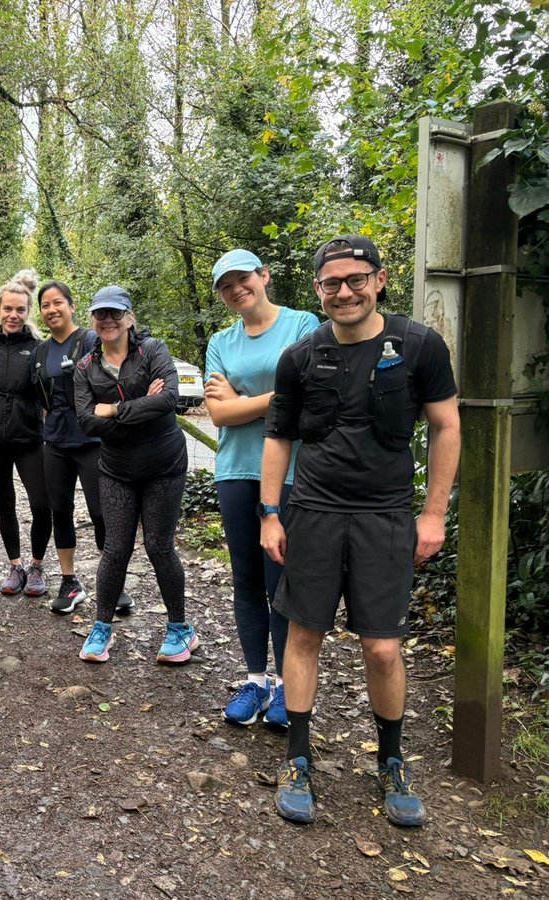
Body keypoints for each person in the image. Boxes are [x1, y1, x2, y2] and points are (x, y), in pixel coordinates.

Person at [262, 235, 459, 827]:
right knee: (304, 634)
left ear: (378, 280)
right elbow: (279, 438)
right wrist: (271, 513)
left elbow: (446, 427)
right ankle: (298, 758)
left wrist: (434, 513)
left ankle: (393, 760)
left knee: (382, 645)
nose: (344, 292)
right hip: (314, 513)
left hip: (386, 516)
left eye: (355, 279)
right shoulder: (300, 357)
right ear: (318, 289)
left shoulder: (420, 346)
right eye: (331, 283)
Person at [205, 250, 319, 728]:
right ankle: (257, 680)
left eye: (242, 279)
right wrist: (272, 400)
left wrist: (243, 400)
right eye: (226, 285)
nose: (236, 289)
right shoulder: (220, 341)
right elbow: (219, 414)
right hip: (235, 470)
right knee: (246, 582)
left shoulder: (301, 325)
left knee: (282, 584)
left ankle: (289, 686)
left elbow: (310, 395)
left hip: (293, 473)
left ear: (263, 276)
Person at [74, 286, 196, 664]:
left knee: (159, 546)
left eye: (115, 314)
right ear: (92, 320)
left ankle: (180, 629)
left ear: (130, 318)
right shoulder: (85, 366)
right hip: (116, 469)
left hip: (164, 465)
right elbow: (85, 422)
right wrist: (140, 406)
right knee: (115, 549)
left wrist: (111, 410)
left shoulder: (153, 350)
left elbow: (169, 399)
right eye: (100, 315)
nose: (108, 321)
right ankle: (102, 627)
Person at [34, 280, 131, 615]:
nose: (51, 310)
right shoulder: (42, 350)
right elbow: (43, 398)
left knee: (101, 511)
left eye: (57, 302)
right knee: (59, 509)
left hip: (92, 439)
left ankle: (112, 582)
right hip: (56, 441)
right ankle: (69, 580)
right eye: (45, 305)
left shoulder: (90, 340)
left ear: (72, 306)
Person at [0, 271, 53, 597]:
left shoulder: (39, 349)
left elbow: (52, 396)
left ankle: (36, 566)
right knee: (4, 502)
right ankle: (15, 565)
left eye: (20, 310)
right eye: (8, 309)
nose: (13, 315)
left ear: (28, 312)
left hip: (30, 437)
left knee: (41, 504)